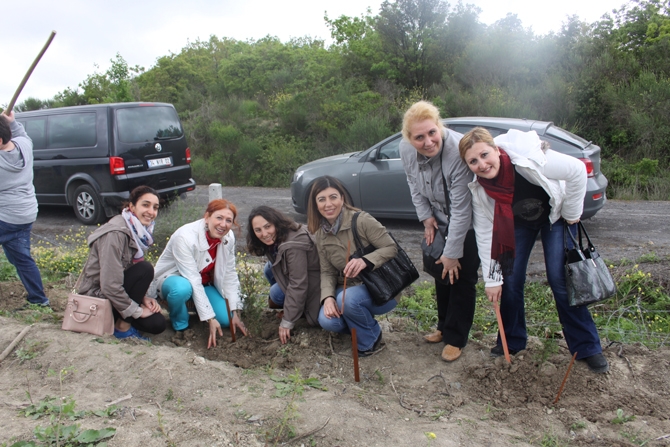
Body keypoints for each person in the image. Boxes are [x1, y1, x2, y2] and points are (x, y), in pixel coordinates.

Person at [459, 126, 609, 373]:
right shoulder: (481, 189)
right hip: (517, 224)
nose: (482, 165)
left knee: (561, 279)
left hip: (555, 215)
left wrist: (572, 214)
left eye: (485, 155)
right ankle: (513, 342)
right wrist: (491, 280)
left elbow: (576, 171)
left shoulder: (529, 158)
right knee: (510, 280)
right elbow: (486, 235)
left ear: (497, 150)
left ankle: (587, 347)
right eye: (473, 161)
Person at [399, 101, 480, 362]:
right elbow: (412, 183)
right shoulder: (406, 149)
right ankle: (443, 327)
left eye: (432, 133)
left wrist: (453, 251)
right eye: (419, 137)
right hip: (439, 217)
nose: (428, 141)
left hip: (467, 221)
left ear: (439, 127)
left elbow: (462, 208)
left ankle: (457, 338)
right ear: (409, 138)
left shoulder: (457, 152)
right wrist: (425, 217)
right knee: (441, 274)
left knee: (461, 275)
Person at [308, 176, 398, 356]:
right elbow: (327, 271)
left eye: (333, 197)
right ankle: (360, 324)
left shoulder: (362, 220)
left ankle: (370, 338)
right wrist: (327, 298)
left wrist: (365, 260)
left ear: (342, 198)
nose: (328, 204)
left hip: (382, 288)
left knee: (349, 300)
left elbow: (391, 247)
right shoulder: (321, 235)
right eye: (322, 199)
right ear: (315, 204)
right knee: (328, 321)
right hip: (348, 291)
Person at [146, 199, 247, 349]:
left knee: (226, 320)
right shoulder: (185, 237)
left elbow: (229, 273)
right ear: (207, 216)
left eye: (228, 220)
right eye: (218, 218)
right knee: (181, 289)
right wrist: (210, 318)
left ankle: (197, 309)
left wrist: (235, 310)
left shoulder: (228, 237)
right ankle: (181, 325)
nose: (223, 224)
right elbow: (192, 279)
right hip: (174, 279)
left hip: (204, 283)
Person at [78, 185, 167, 340]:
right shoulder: (115, 234)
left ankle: (120, 321)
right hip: (99, 298)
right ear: (132, 206)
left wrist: (143, 298)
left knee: (158, 323)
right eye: (145, 205)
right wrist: (137, 311)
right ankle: (122, 328)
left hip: (116, 296)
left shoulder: (137, 231)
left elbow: (129, 272)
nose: (151, 212)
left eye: (155, 207)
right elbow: (109, 285)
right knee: (145, 269)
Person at [246, 206, 321, 344]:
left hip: (317, 285)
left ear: (275, 222)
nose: (264, 233)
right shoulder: (281, 235)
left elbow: (298, 284)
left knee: (276, 294)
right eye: (258, 230)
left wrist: (288, 321)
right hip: (306, 274)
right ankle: (295, 307)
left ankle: (300, 310)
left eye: (267, 226)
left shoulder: (292, 244)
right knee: (269, 269)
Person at [0, 111, 50, 308]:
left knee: (20, 257)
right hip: (26, 214)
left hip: (6, 217)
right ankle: (39, 299)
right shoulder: (24, 146)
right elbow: (21, 133)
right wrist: (12, 122)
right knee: (21, 258)